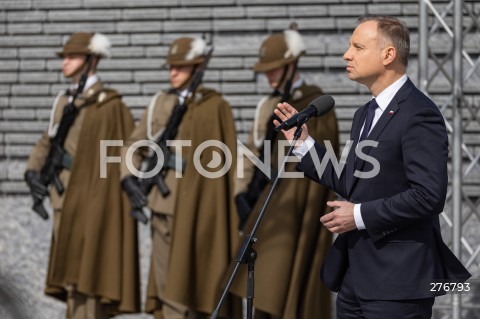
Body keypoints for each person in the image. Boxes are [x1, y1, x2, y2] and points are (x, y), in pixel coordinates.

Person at [275, 15, 471, 318]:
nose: (346, 54)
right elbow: (353, 182)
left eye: (357, 46)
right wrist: (303, 143)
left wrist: (359, 215)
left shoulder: (420, 114)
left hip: (398, 283)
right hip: (355, 279)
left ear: (388, 54)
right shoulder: (365, 113)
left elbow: (429, 195)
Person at [120, 36, 239, 319]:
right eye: (171, 67)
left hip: (200, 208)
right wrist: (128, 177)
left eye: (181, 67)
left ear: (198, 68)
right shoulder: (161, 102)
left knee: (197, 279)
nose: (173, 72)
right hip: (164, 204)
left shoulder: (215, 106)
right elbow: (133, 145)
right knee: (167, 283)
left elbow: (227, 160)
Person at [24, 32, 140, 318]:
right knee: (70, 269)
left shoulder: (108, 104)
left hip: (91, 195)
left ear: (92, 61)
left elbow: (124, 149)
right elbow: (47, 140)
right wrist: (31, 171)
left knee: (90, 268)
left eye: (72, 57)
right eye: (64, 56)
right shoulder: (63, 101)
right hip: (63, 194)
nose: (65, 62)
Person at [230, 27, 338, 319]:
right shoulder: (267, 104)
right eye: (267, 70)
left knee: (281, 288)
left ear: (292, 65)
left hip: (294, 207)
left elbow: (319, 165)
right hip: (265, 204)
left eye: (275, 68)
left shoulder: (313, 102)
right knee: (260, 288)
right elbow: (251, 151)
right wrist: (241, 191)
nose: (270, 75)